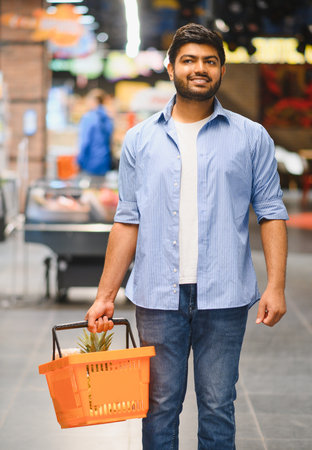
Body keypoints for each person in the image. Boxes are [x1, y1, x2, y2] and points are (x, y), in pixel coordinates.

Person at [85, 23, 288, 449]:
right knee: (158, 406)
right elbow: (127, 220)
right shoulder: (141, 139)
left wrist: (276, 285)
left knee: (218, 404)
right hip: (157, 296)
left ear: (221, 70)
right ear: (171, 67)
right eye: (190, 60)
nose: (200, 69)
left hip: (226, 296)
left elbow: (271, 213)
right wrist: (105, 294)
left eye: (210, 61)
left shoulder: (251, 138)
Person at [77, 88, 113, 176]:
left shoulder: (88, 117)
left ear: (94, 101)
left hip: (90, 162)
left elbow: (84, 142)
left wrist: (78, 161)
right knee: (101, 188)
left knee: (89, 189)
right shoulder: (108, 118)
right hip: (105, 161)